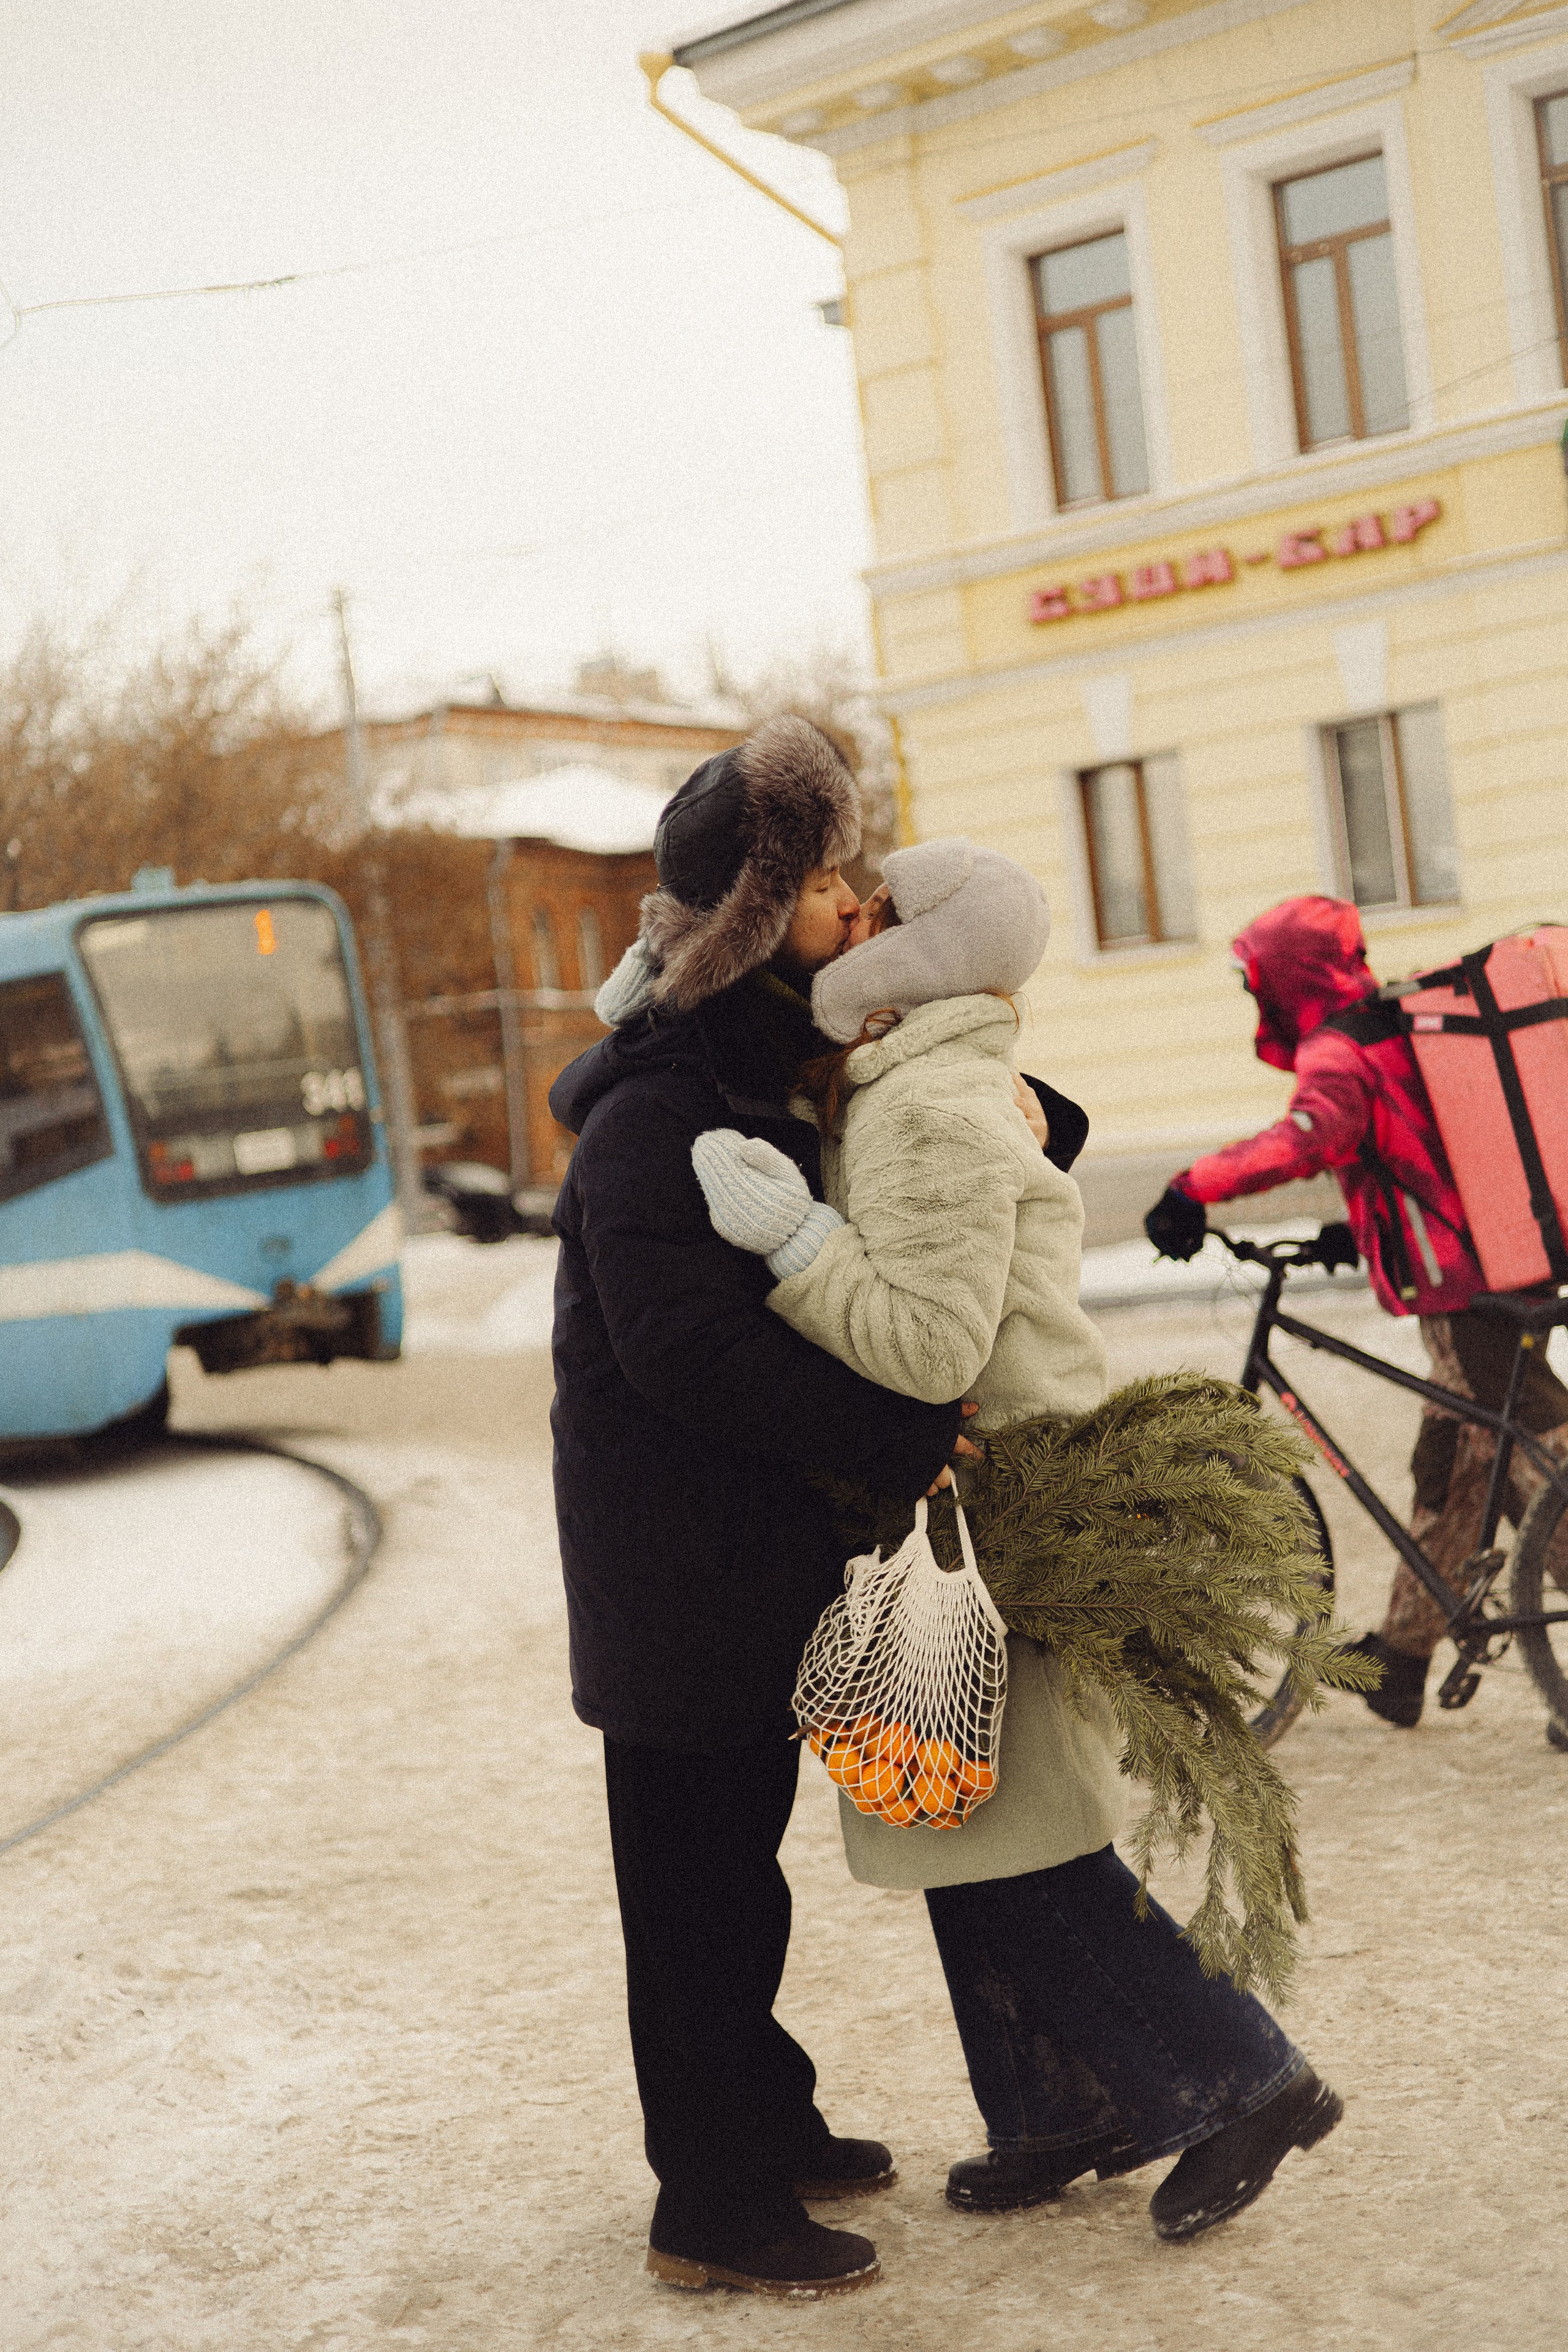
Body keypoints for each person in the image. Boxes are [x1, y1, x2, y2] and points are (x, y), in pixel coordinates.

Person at [688, 838, 1342, 2246]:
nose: (837, 934)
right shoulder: (915, 1074)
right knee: (956, 1801)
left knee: (1006, 1831)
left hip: (1001, 1499)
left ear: (912, 955)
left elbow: (927, 1344)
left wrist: (796, 1243)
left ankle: (1239, 2078)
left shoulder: (925, 1100)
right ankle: (1052, 2106)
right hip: (964, 1494)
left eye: (865, 917)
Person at [547, 717, 965, 2301]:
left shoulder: (747, 1075)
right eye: (823, 878)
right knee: (698, 1894)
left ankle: (764, 2121)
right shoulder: (665, 1113)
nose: (854, 901)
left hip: (732, 1559)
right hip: (677, 1575)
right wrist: (900, 1432)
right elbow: (686, 1350)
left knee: (737, 1873)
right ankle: (710, 2210)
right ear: (752, 911)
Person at [1142, 894, 1568, 1728]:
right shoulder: (1388, 1023)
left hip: (1465, 1291)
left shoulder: (1341, 1049)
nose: (1254, 1003)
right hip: (1483, 1268)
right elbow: (1416, 1147)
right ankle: (1403, 1662)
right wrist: (1360, 1231)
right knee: (1453, 1468)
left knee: (1538, 1460)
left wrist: (1193, 1189)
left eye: (1257, 984)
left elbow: (1312, 1133)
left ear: (1288, 981)